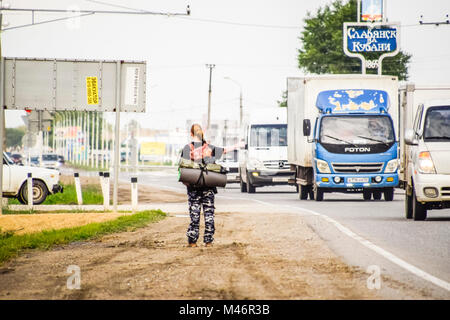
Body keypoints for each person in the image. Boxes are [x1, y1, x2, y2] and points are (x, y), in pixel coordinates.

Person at [180, 124, 240, 248]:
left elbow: (182, 170)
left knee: (194, 215)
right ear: (202, 134)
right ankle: (208, 241)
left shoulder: (187, 149)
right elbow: (223, 150)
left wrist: (189, 183)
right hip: (208, 187)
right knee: (209, 215)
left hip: (193, 188)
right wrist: (236, 145)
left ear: (191, 134)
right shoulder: (209, 148)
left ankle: (192, 242)